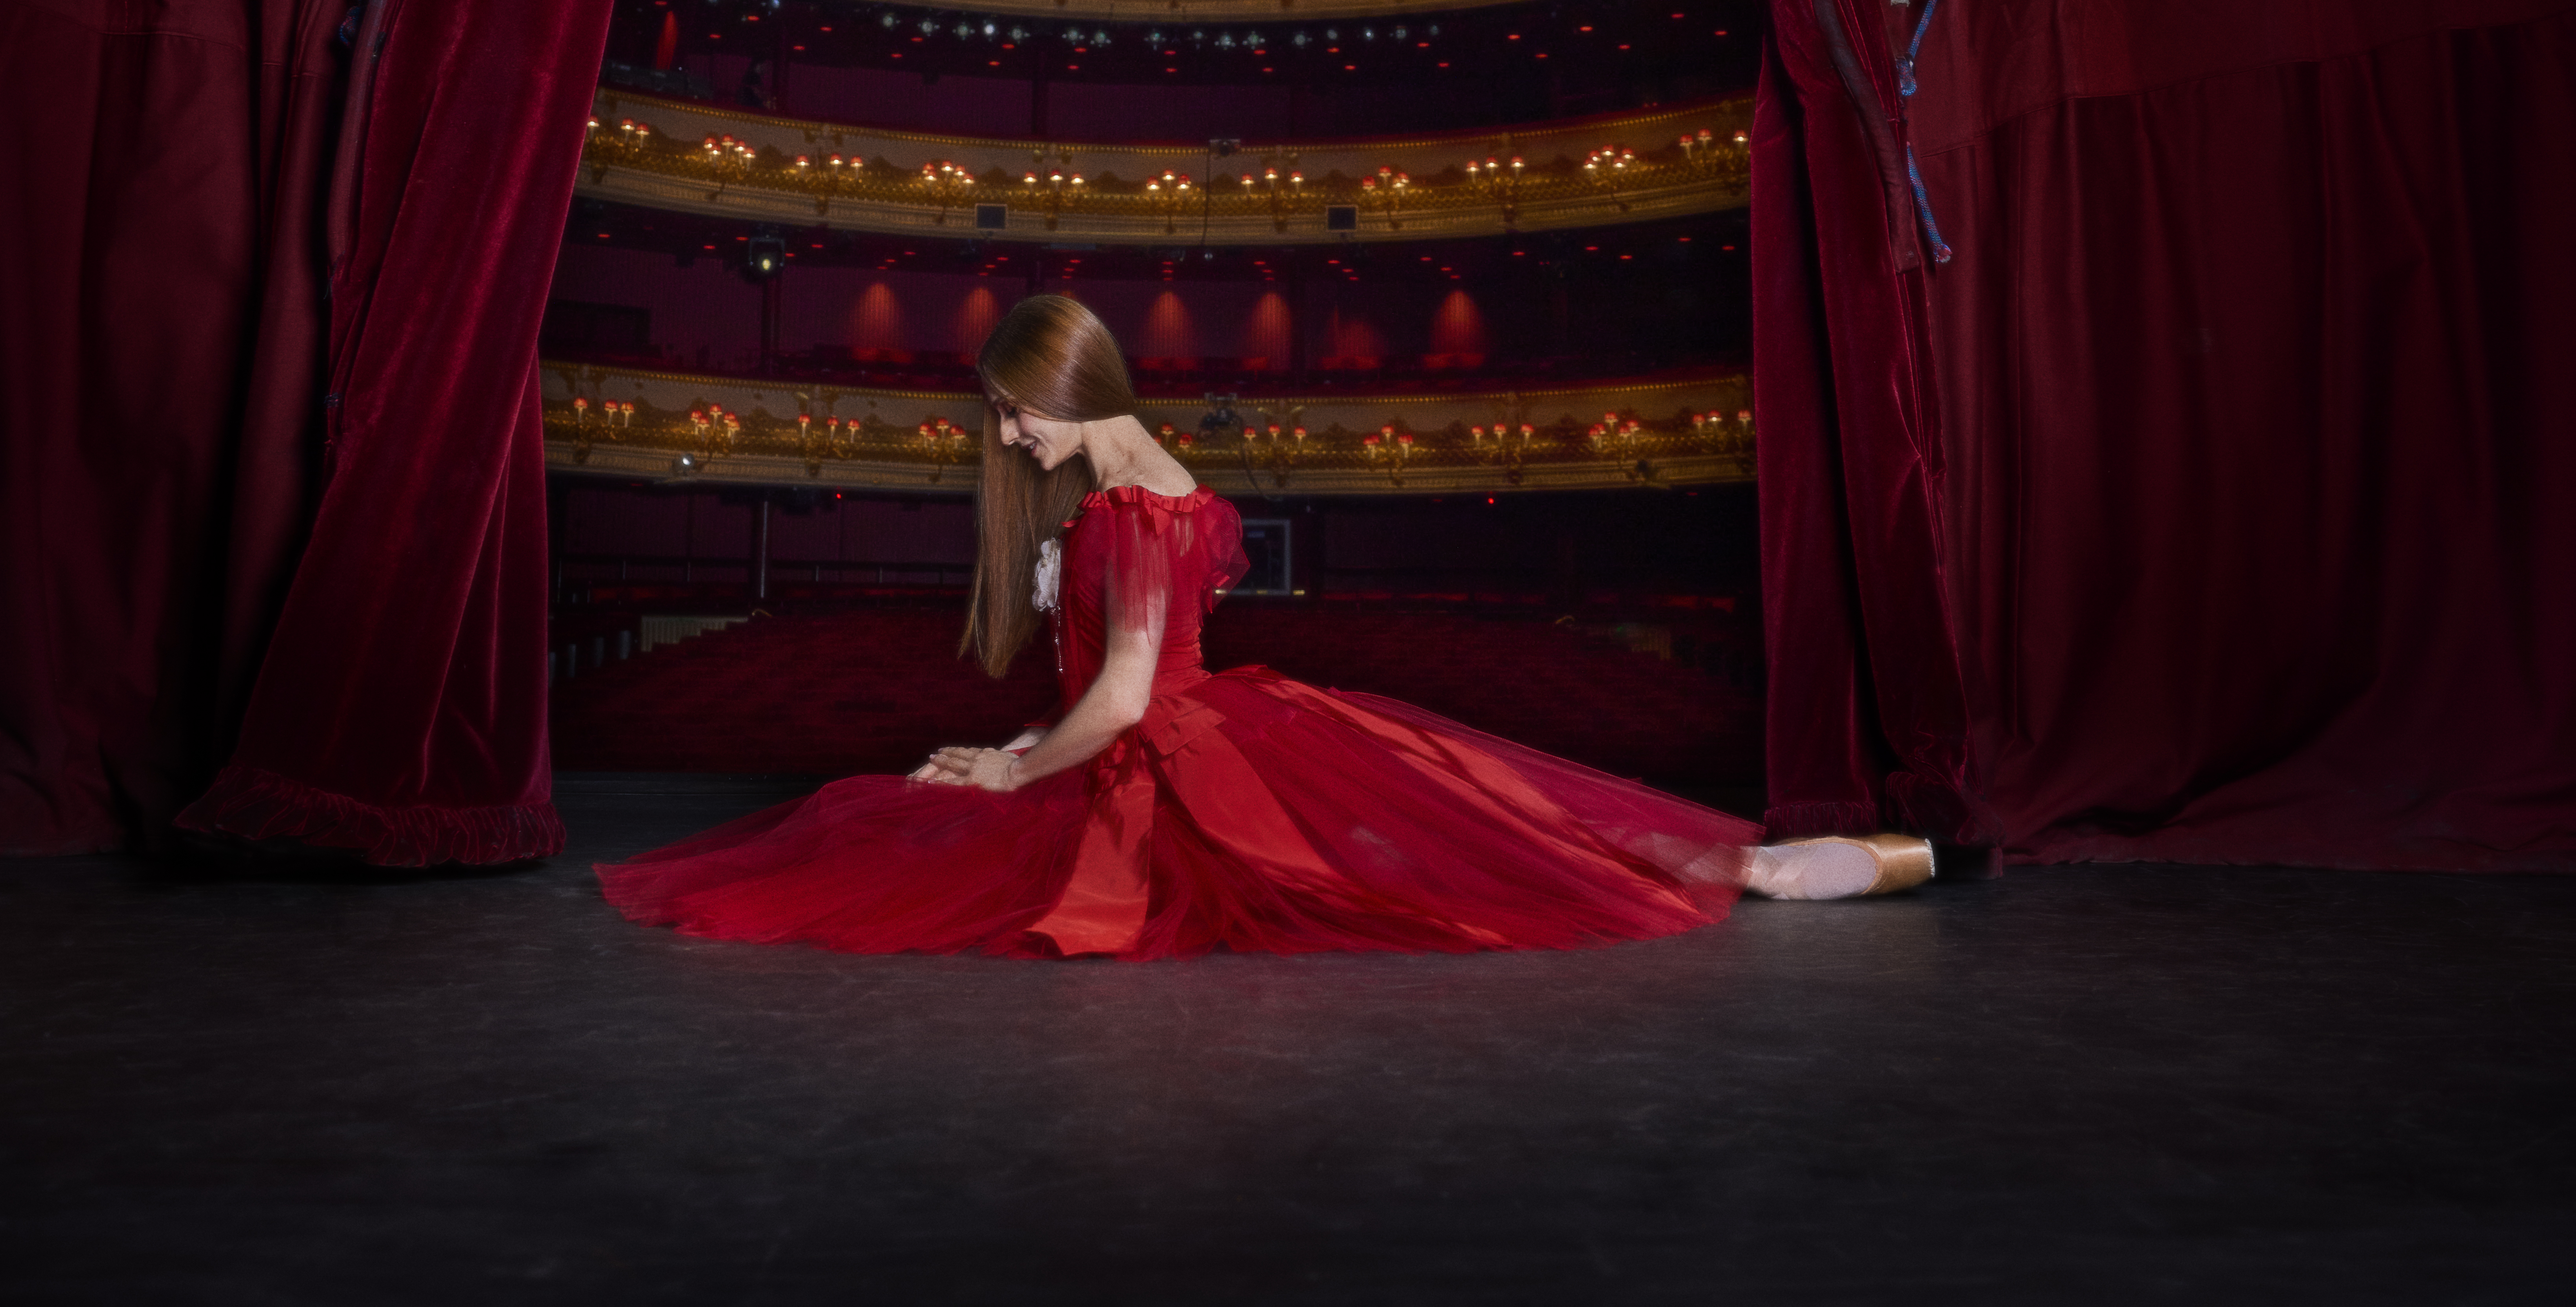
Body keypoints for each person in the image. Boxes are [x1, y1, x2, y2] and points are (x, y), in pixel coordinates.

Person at [596, 295, 1931, 959]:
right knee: (1490, 835)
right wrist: (1019, 742)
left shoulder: (1125, 505)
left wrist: (1014, 762)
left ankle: (1808, 869)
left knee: (1456, 870)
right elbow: (1119, 681)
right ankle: (1854, 861)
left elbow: (1124, 703)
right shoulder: (1169, 488)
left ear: (1070, 383)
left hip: (1173, 756)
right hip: (1210, 731)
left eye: (1015, 409)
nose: (1007, 436)